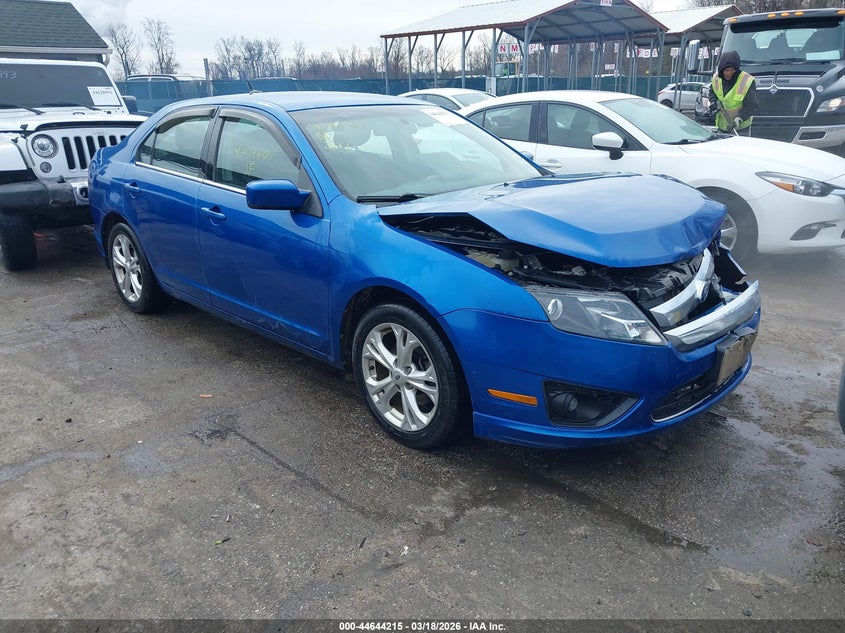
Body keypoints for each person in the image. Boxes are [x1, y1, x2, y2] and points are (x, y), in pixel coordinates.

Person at [708, 50, 759, 135]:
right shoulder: (716, 78)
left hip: (740, 128)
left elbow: (752, 105)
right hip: (721, 126)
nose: (730, 73)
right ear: (722, 70)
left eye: (733, 70)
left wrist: (740, 118)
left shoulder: (746, 81)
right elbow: (712, 91)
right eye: (727, 70)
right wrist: (713, 102)